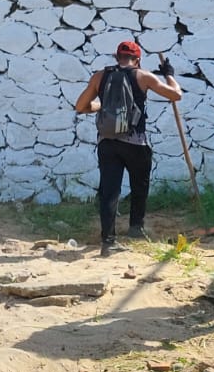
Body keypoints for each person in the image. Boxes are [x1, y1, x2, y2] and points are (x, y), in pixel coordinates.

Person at [73, 40, 182, 255]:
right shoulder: (143, 76)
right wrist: (169, 74)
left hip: (107, 142)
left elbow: (80, 106)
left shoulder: (99, 76)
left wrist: (102, 106)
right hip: (135, 143)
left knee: (109, 191)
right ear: (138, 59)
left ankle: (108, 242)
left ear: (116, 57)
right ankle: (136, 228)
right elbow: (176, 95)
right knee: (139, 185)